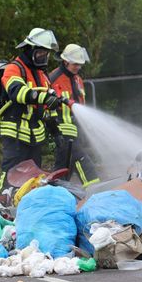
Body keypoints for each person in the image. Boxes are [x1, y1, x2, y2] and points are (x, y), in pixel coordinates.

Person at [0, 27, 61, 191]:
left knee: (34, 179)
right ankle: (1, 206)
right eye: (40, 53)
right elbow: (17, 92)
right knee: (10, 177)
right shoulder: (14, 68)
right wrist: (43, 97)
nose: (43, 57)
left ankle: (27, 209)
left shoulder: (41, 74)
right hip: (15, 134)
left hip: (34, 138)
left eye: (45, 54)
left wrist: (54, 126)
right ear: (29, 49)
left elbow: (47, 101)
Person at [48, 43, 99, 187]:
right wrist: (55, 132)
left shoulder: (78, 80)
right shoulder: (53, 78)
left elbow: (81, 104)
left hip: (76, 133)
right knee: (86, 166)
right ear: (65, 61)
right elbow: (45, 107)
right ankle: (95, 192)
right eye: (75, 64)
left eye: (80, 64)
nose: (78, 67)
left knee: (62, 172)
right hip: (63, 134)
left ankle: (54, 196)